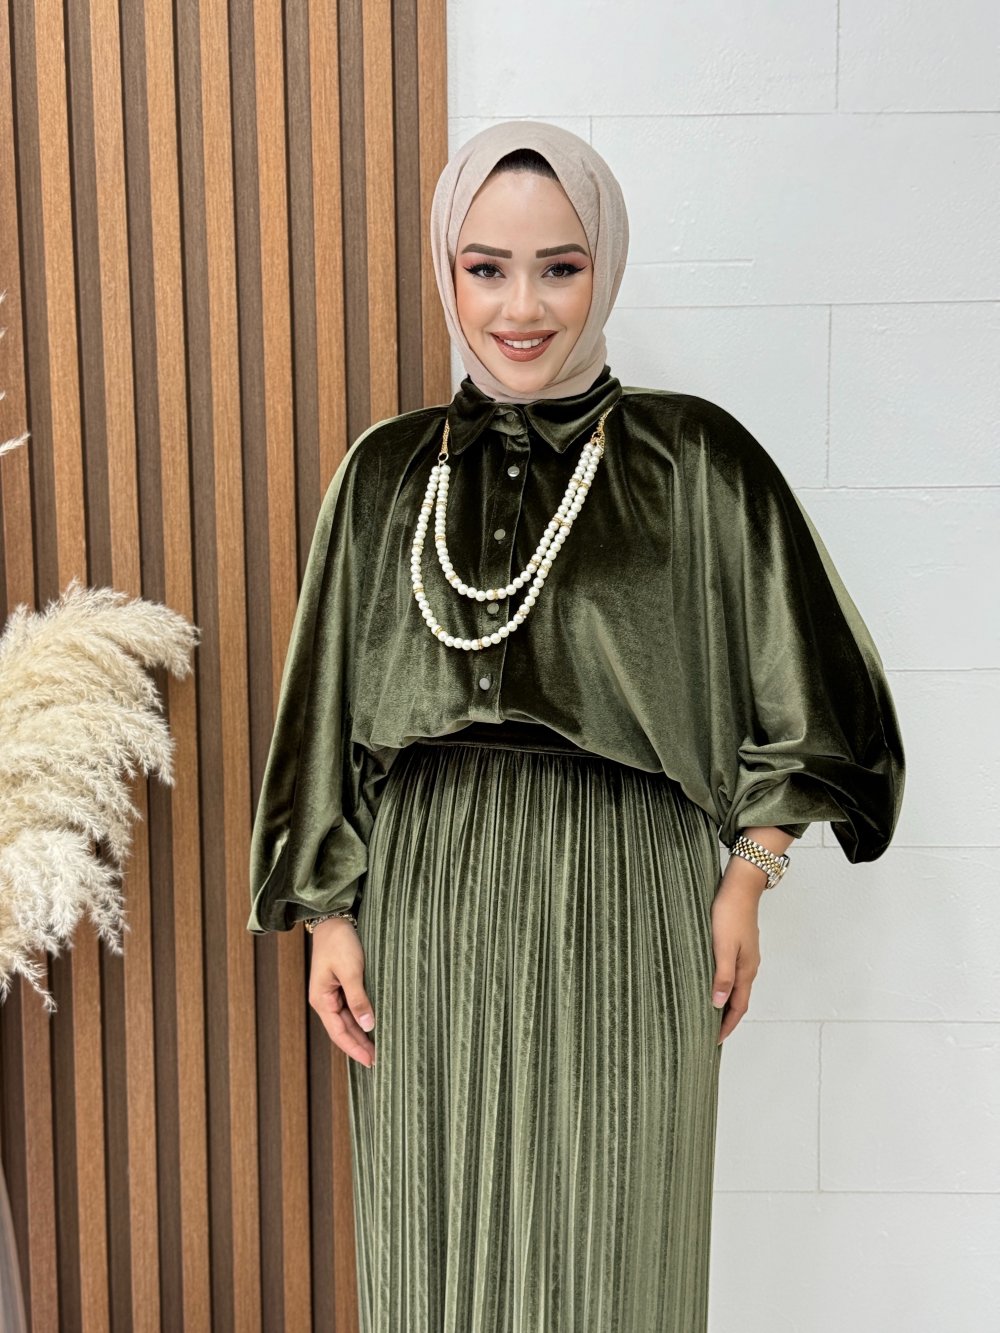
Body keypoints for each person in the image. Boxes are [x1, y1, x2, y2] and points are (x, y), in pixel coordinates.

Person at [248, 120, 905, 1332]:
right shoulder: (386, 475)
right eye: (485, 267)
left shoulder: (693, 459)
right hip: (428, 897)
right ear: (446, 272)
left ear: (604, 264)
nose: (521, 306)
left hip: (627, 886)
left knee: (619, 1250)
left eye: (559, 265)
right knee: (437, 1249)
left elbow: (820, 694)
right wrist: (329, 914)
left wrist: (750, 874)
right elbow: (325, 708)